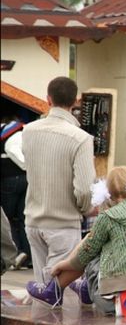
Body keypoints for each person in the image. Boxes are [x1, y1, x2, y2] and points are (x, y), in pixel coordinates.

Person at [26, 166, 126, 314]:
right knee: (107, 243)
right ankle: (79, 289)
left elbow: (84, 255)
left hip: (120, 301)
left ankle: (55, 290)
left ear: (108, 193)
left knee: (92, 249)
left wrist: (61, 265)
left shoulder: (109, 216)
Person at [22, 76, 96, 289]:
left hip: (33, 219)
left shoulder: (28, 131)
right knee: (58, 290)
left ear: (48, 99)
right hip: (63, 222)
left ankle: (39, 321)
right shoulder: (81, 138)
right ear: (75, 102)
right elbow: (84, 188)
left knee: (42, 286)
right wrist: (86, 209)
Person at [1, 111, 32, 269]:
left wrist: (25, 165)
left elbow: (10, 149)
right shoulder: (24, 132)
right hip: (26, 180)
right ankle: (27, 255)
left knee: (7, 218)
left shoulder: (6, 134)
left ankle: (14, 254)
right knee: (22, 218)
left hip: (10, 179)